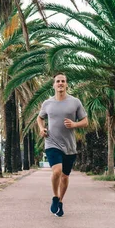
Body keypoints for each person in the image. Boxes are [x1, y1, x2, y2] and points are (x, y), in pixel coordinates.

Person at [37, 73, 88, 217]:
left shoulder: (75, 102)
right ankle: (55, 196)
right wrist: (42, 129)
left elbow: (85, 121)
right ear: (53, 85)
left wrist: (74, 124)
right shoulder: (47, 103)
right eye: (57, 81)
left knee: (65, 176)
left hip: (69, 146)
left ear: (66, 84)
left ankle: (60, 201)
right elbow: (39, 118)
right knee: (57, 172)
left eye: (63, 81)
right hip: (51, 142)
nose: (60, 83)